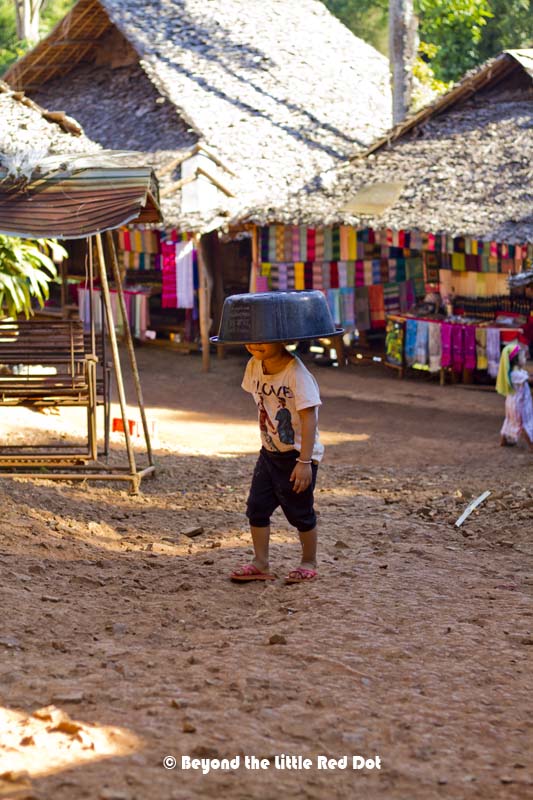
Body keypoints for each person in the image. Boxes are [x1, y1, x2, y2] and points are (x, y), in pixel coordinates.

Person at [231, 341, 324, 584]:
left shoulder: (297, 375)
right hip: (269, 453)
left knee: (300, 512)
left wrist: (305, 461)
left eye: (262, 339)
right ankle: (260, 562)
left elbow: (309, 418)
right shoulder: (254, 365)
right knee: (256, 507)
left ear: (282, 338)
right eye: (250, 339)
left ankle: (309, 562)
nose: (254, 345)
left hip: (297, 456)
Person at [496, 343, 533, 450]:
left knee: (509, 421)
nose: (525, 358)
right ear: (516, 361)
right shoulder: (515, 374)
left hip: (512, 403)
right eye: (523, 356)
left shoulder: (514, 373)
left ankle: (503, 440)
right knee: (524, 424)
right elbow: (530, 379)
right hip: (519, 404)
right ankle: (531, 445)